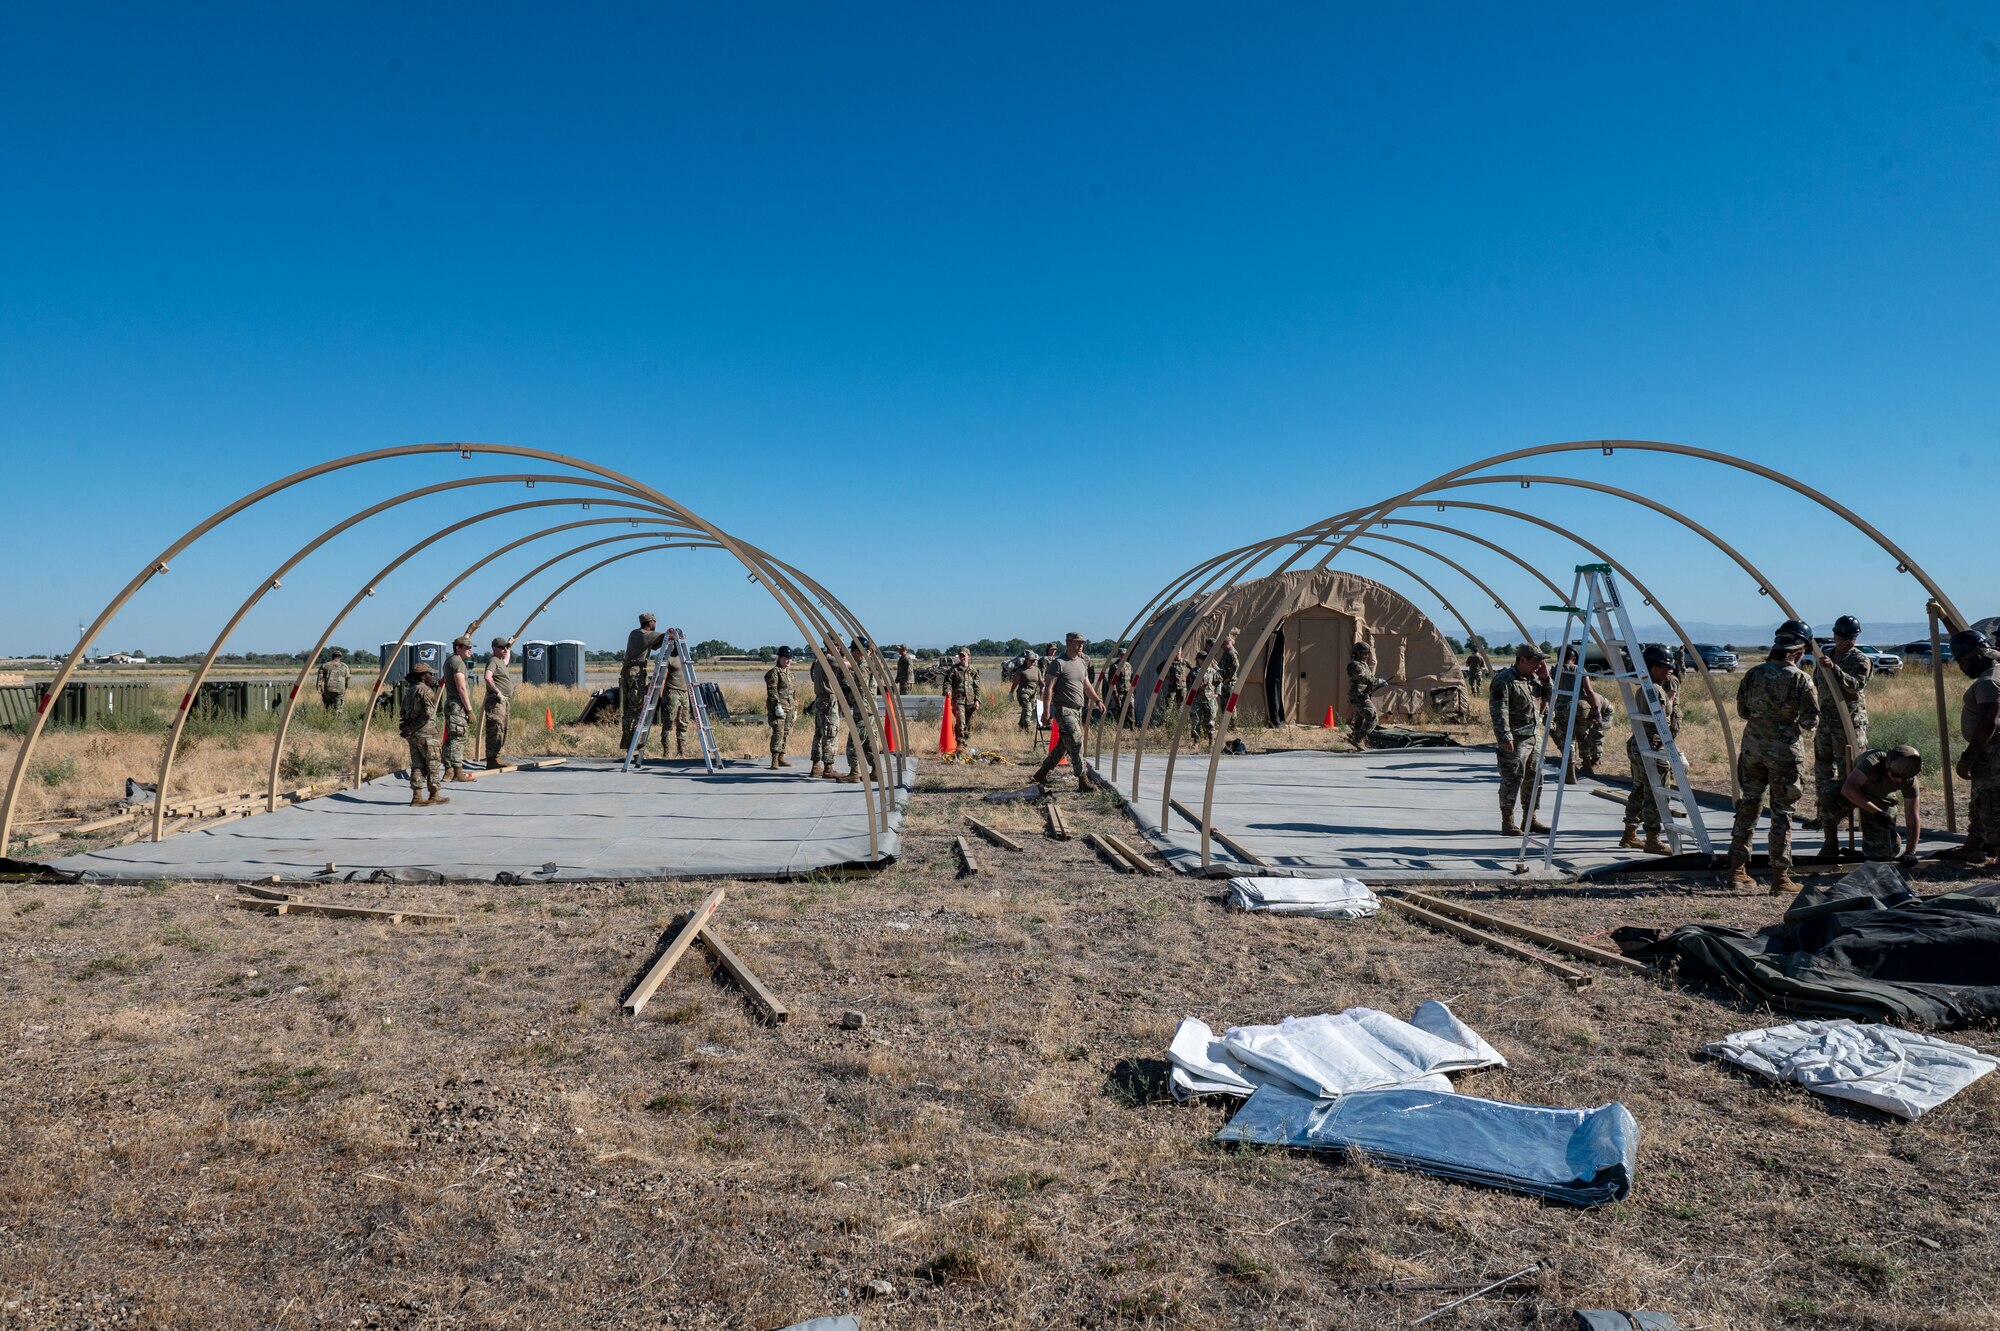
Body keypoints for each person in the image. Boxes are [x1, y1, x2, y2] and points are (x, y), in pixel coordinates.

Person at [1725, 628, 1820, 893]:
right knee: (1782, 813)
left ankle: (1737, 870)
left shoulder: (1754, 674)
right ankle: (1780, 876)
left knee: (1749, 806)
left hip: (1753, 748)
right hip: (1784, 752)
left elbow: (1743, 711)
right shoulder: (1801, 679)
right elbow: (1809, 720)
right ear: (1798, 653)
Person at [1813, 615, 1873, 857]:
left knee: (1849, 775)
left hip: (1848, 724)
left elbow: (1855, 685)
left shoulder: (1860, 659)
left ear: (1855, 638)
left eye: (1848, 637)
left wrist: (1834, 670)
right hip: (1826, 722)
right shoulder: (1826, 653)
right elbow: (1818, 683)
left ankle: (1856, 823)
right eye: (1839, 636)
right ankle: (1827, 826)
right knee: (1822, 773)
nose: (1842, 641)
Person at [1618, 646, 1681, 854]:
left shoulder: (1647, 686)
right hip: (1652, 745)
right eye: (1666, 666)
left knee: (1638, 789)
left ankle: (1629, 834)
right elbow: (1660, 719)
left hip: (1639, 742)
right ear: (1653, 668)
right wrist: (1672, 703)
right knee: (1656, 793)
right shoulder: (1654, 689)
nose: (1670, 670)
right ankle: (1653, 838)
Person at [1951, 628, 2000, 868]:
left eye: (1962, 661)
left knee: (1991, 804)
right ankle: (1972, 846)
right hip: (1988, 751)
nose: (1960, 667)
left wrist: (1968, 756)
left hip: (1991, 753)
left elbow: (1988, 722)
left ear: (1977, 656)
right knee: (1979, 799)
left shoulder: (1989, 681)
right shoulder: (1995, 666)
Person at [1490, 643, 1551, 836]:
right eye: (1535, 661)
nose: (1539, 664)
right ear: (1522, 659)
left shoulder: (1533, 679)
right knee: (1512, 778)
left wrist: (1546, 679)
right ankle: (1507, 822)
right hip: (1515, 739)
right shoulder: (1504, 680)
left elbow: (1551, 697)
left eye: (1541, 661)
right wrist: (1504, 737)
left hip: (1534, 736)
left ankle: (1530, 819)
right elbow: (1499, 711)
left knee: (1535, 778)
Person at [1034, 631, 1102, 792]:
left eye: (1082, 643)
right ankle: (1083, 780)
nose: (1081, 646)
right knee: (1077, 743)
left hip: (1077, 711)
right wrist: (1045, 712)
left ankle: (1041, 773)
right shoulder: (1058, 663)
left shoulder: (1081, 663)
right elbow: (1048, 689)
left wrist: (1097, 700)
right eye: (1078, 643)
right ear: (1068, 643)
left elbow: (1087, 686)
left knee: (1063, 746)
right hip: (1063, 710)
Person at [1840, 745, 1923, 861]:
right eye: (1896, 775)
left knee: (1883, 853)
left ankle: (1866, 854)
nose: (1900, 780)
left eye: (1905, 778)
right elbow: (1848, 789)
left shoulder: (1909, 779)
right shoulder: (1872, 762)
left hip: (1879, 797)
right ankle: (1830, 845)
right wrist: (1877, 812)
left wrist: (1911, 852)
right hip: (1853, 790)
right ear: (1887, 765)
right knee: (1828, 797)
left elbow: (1913, 816)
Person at [397, 659, 447, 808]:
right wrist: (413, 727)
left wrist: (408, 728)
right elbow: (427, 714)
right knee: (433, 764)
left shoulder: (410, 690)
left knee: (417, 765)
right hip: (426, 734)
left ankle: (417, 796)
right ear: (423, 676)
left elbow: (402, 712)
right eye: (430, 674)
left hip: (414, 736)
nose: (432, 677)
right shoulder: (425, 690)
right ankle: (434, 794)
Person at [1554, 645, 1607, 781]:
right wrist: (1596, 708)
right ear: (1574, 658)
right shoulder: (1579, 670)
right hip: (1582, 707)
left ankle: (1570, 772)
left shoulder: (1555, 670)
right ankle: (1587, 765)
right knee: (1583, 736)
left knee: (1568, 740)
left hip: (1563, 708)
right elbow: (1589, 691)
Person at [619, 613, 665, 751]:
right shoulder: (644, 634)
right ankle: (630, 743)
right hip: (635, 672)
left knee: (630, 707)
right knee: (634, 707)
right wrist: (675, 634)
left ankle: (627, 741)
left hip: (629, 671)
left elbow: (655, 646)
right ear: (650, 622)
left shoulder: (635, 633)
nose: (655, 623)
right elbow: (665, 636)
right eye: (654, 621)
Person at [440, 636, 476, 782]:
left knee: (451, 739)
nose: (470, 650)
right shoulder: (458, 663)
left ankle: (448, 770)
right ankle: (457, 772)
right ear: (458, 648)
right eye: (467, 648)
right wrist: (469, 710)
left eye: (470, 647)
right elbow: (461, 687)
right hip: (458, 706)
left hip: (450, 703)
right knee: (459, 739)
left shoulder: (449, 661)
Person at [809, 642, 842, 779]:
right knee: (830, 732)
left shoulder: (818, 659)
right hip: (829, 699)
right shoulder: (830, 659)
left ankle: (815, 766)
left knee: (818, 733)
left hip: (819, 699)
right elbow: (847, 667)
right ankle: (828, 767)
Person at [1347, 641, 1387, 750]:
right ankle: (1357, 740)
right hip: (1358, 696)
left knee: (1359, 719)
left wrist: (1376, 683)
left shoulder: (1363, 664)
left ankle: (1356, 739)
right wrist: (1376, 681)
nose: (1367, 656)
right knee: (1372, 717)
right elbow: (1362, 677)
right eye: (1365, 653)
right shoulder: (1354, 665)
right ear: (1358, 653)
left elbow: (1367, 679)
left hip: (1362, 695)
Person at [482, 637, 514, 769]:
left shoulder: (501, 661)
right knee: (495, 728)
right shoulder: (493, 661)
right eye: (502, 647)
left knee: (503, 728)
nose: (504, 650)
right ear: (495, 648)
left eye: (505, 647)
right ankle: (491, 759)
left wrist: (510, 646)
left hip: (503, 701)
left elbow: (506, 660)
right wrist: (497, 692)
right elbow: (487, 677)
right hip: (496, 701)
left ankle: (497, 757)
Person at [659, 638, 692, 758]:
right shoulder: (669, 658)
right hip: (672, 693)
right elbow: (663, 678)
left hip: (684, 693)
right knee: (668, 724)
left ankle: (681, 752)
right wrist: (660, 696)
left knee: (683, 724)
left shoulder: (686, 658)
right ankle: (666, 753)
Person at [764, 646, 795, 769]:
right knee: (778, 732)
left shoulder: (791, 674)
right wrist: (777, 706)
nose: (788, 661)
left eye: (790, 659)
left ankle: (782, 757)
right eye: (786, 658)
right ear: (780, 658)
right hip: (778, 708)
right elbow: (772, 691)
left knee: (786, 733)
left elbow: (793, 692)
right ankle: (775, 760)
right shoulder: (774, 672)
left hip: (789, 707)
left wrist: (795, 709)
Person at [946, 647, 980, 754]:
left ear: (968, 656)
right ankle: (959, 745)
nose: (962, 658)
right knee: (961, 721)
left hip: (970, 701)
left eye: (964, 656)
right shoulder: (954, 669)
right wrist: (948, 691)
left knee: (969, 725)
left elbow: (977, 687)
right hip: (958, 700)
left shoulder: (973, 671)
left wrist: (977, 700)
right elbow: (947, 682)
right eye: (960, 656)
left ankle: (964, 743)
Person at [1188, 649, 1218, 743]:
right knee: (1196, 720)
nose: (1205, 660)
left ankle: (1211, 740)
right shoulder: (1193, 672)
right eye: (1203, 659)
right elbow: (1188, 685)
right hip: (1197, 700)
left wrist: (1217, 693)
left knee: (1210, 720)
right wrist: (1196, 687)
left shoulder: (1212, 671)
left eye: (1206, 659)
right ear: (1198, 660)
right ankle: (1196, 741)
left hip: (1209, 699)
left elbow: (1219, 682)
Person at [1013, 649, 1043, 732]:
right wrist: (1011, 692)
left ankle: (1021, 726)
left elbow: (1040, 681)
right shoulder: (1021, 670)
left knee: (1028, 709)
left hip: (1033, 693)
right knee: (1027, 708)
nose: (1033, 662)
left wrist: (1043, 687)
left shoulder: (1036, 670)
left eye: (1034, 661)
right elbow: (1015, 682)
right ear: (1026, 660)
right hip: (1023, 692)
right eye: (1031, 660)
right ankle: (1027, 728)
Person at [1159, 649, 1190, 729]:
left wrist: (1187, 678)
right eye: (1174, 652)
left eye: (1178, 652)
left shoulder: (1184, 662)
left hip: (1182, 687)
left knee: (1180, 706)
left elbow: (1194, 669)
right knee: (1169, 705)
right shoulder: (1168, 662)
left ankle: (1177, 724)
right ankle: (1165, 724)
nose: (1176, 654)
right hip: (1172, 687)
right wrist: (1167, 677)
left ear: (1181, 652)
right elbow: (1158, 669)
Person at [1105, 647, 1135, 727]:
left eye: (1125, 655)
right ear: (1118, 655)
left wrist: (1132, 689)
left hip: (1128, 690)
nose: (1123, 656)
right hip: (1119, 691)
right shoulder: (1114, 666)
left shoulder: (1129, 665)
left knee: (1131, 707)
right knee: (1119, 708)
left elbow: (1132, 678)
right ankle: (1119, 726)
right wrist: (1115, 693)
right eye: (1121, 655)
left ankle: (1132, 726)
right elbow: (1111, 681)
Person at [317, 648, 349, 714]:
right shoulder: (345, 666)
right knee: (338, 707)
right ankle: (337, 719)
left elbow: (320, 678)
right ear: (340, 657)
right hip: (340, 689)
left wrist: (319, 689)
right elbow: (347, 678)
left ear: (332, 656)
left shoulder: (324, 665)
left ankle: (327, 718)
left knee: (327, 707)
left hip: (328, 689)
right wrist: (345, 688)